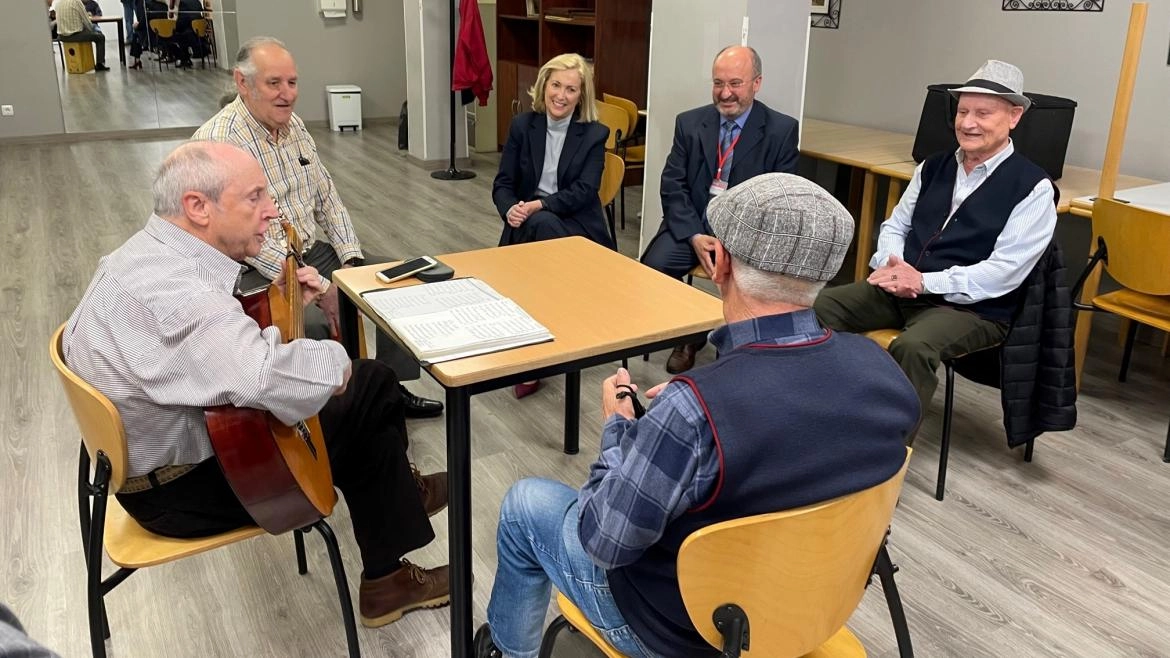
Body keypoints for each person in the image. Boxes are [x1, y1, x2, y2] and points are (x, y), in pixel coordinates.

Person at [472, 173, 921, 658]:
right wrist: (692, 411)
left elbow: (605, 541)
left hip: (686, 633)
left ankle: (506, 650)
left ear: (719, 262)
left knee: (524, 503)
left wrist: (619, 428)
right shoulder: (885, 371)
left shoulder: (693, 409)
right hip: (813, 611)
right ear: (824, 271)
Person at [63, 141, 450, 629]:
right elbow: (263, 375)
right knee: (369, 383)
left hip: (140, 471)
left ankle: (395, 528)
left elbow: (205, 354)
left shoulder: (141, 255)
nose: (270, 212)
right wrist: (336, 360)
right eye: (254, 198)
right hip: (181, 495)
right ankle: (390, 561)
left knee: (359, 417)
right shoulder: (181, 298)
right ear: (197, 207)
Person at [193, 36, 443, 419]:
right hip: (256, 269)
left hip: (311, 250)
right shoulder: (221, 142)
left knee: (398, 285)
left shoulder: (293, 126)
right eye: (273, 83)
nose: (286, 94)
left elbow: (327, 195)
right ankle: (334, 418)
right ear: (242, 83)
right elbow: (247, 242)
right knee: (313, 323)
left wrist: (352, 261)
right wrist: (325, 288)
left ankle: (385, 390)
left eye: (292, 83)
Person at [814, 59, 1057, 430]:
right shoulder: (931, 166)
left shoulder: (1033, 188)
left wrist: (925, 283)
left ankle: (887, 451)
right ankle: (823, 412)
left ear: (1014, 116)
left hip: (972, 309)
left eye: (983, 113)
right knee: (814, 308)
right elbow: (896, 225)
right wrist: (890, 264)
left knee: (913, 348)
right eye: (962, 111)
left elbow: (1003, 273)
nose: (968, 123)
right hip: (902, 288)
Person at [640, 45, 800, 374]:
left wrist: (732, 241)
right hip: (694, 227)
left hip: (744, 236)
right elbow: (672, 185)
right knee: (651, 270)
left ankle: (738, 350)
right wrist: (695, 236)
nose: (725, 93)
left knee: (748, 285)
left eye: (735, 83)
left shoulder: (781, 131)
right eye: (718, 83)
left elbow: (779, 201)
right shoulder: (689, 123)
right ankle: (691, 333)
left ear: (757, 83)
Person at [492, 53, 613, 250]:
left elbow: (584, 190)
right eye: (555, 85)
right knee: (538, 223)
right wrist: (510, 209)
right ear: (544, 85)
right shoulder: (521, 126)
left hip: (576, 221)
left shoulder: (595, 134)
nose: (561, 96)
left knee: (542, 223)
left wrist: (541, 205)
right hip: (528, 217)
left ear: (581, 96)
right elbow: (503, 183)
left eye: (571, 89)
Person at [55, 0, 110, 72]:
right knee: (100, 37)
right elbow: (87, 21)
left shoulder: (58, 3)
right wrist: (92, 30)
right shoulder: (76, 2)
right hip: (74, 35)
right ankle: (100, 64)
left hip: (61, 36)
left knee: (91, 31)